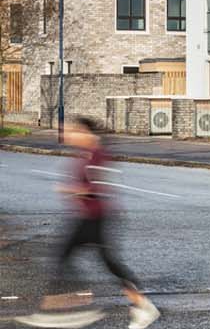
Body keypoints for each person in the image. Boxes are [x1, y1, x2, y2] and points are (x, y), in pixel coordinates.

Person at [17, 117, 159, 328]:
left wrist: (71, 190)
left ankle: (59, 310)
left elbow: (97, 189)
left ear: (86, 133)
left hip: (97, 218)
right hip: (87, 217)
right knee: (74, 257)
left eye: (73, 131)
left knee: (101, 262)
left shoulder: (99, 156)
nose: (68, 136)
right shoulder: (87, 155)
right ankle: (56, 309)